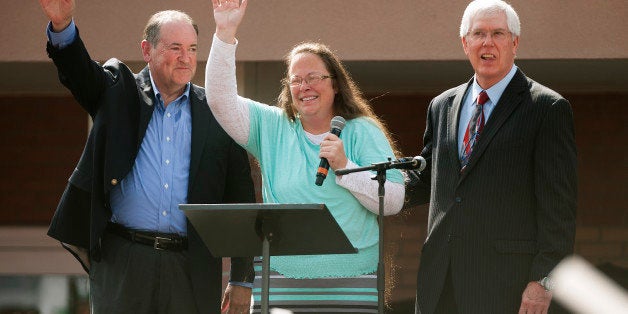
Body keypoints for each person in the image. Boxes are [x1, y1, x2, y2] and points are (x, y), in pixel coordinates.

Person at [40, 0, 257, 313]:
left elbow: (240, 199)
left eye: (193, 48)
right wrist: (62, 26)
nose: (186, 58)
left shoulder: (217, 111)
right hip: (125, 259)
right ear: (147, 50)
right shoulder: (117, 91)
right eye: (175, 48)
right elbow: (79, 73)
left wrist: (242, 278)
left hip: (192, 265)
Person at [206, 1, 406, 312]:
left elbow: (392, 200)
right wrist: (225, 33)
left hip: (353, 284)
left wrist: (345, 167)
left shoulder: (362, 130)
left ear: (335, 84)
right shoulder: (272, 127)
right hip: (282, 282)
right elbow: (219, 100)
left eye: (314, 77)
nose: (304, 86)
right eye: (296, 79)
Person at [407, 0, 578, 313]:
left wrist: (543, 280)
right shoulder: (441, 106)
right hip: (440, 281)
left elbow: (559, 208)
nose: (487, 42)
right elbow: (425, 178)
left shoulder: (547, 108)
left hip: (506, 285)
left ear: (514, 43)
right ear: (465, 43)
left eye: (498, 33)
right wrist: (356, 175)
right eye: (478, 34)